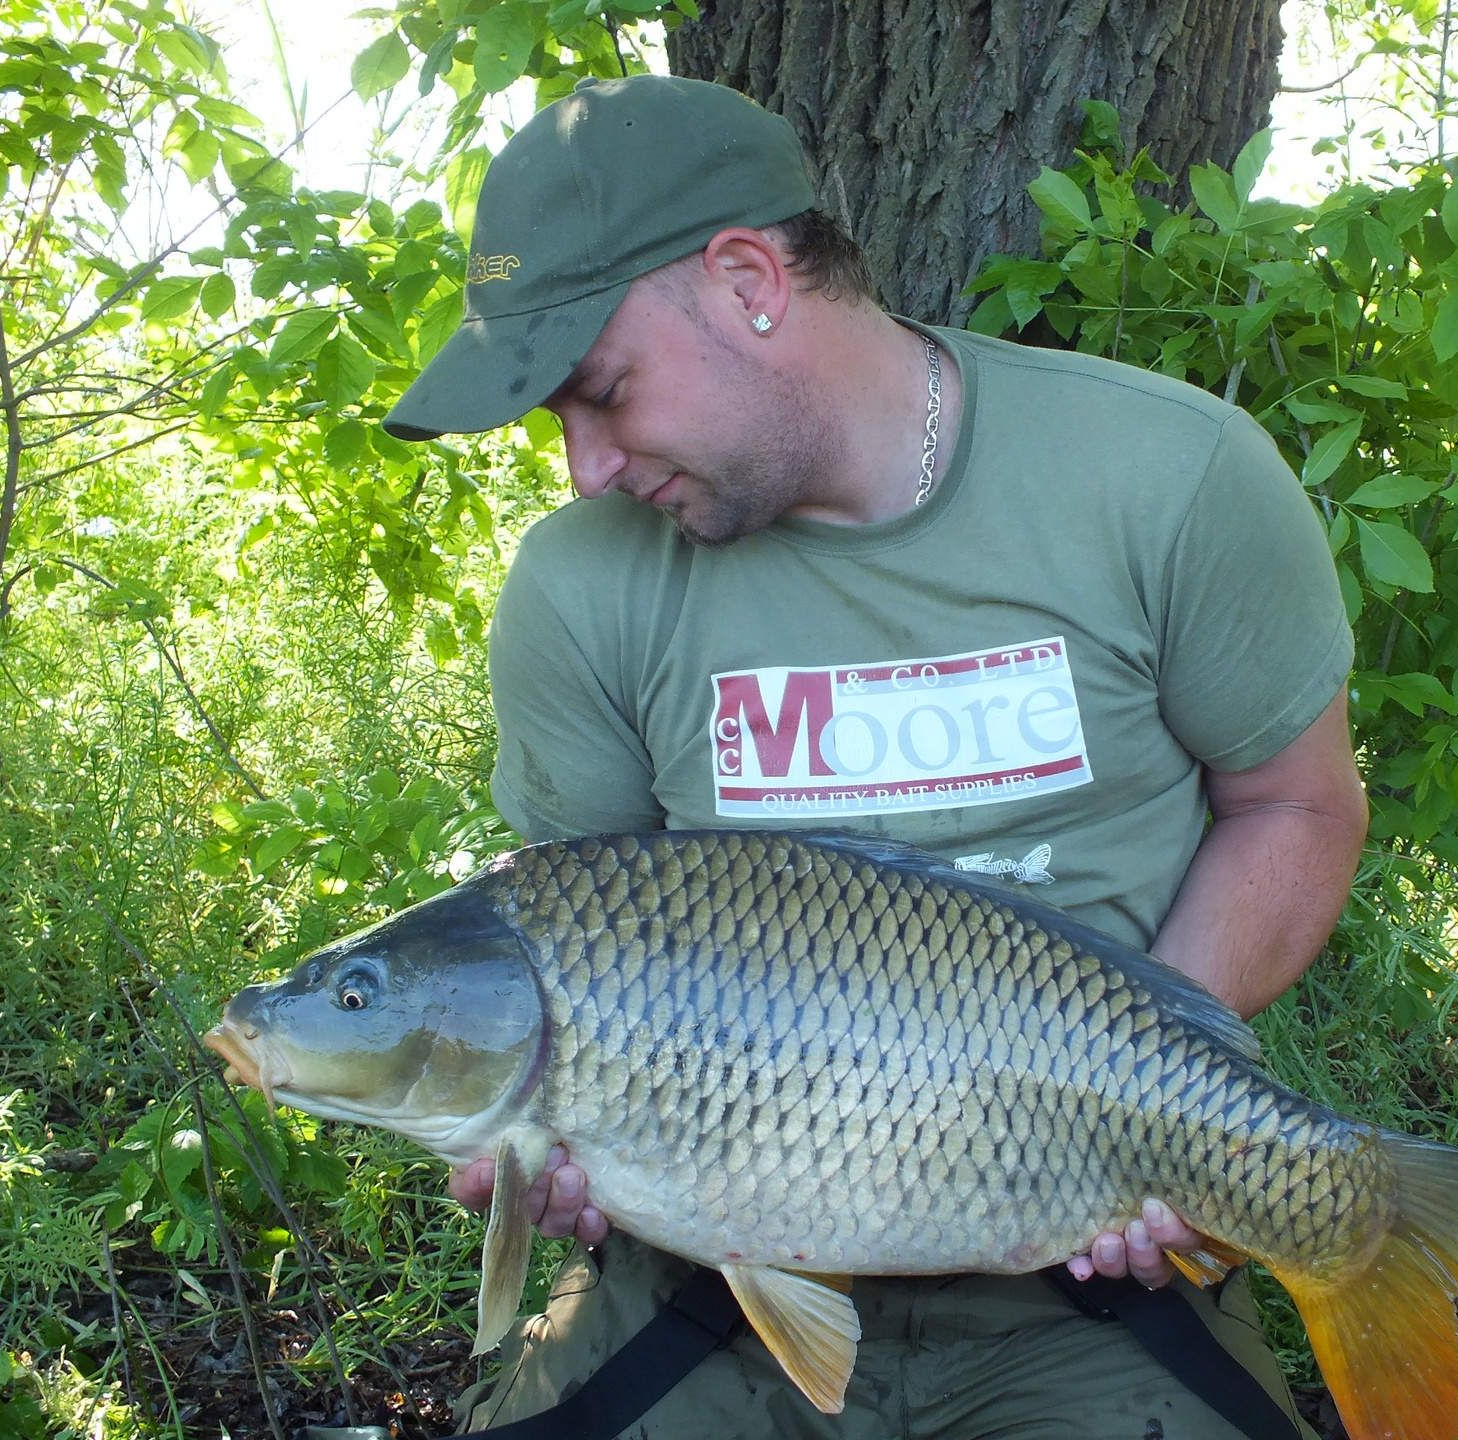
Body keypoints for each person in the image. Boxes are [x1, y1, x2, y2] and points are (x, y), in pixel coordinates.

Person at [381, 73, 1367, 1440]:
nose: (587, 468)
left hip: (1086, 1279)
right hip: (708, 1280)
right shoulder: (579, 585)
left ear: (748, 281)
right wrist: (540, 1152)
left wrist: (1143, 1102)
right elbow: (559, 960)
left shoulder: (1171, 476)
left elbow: (1298, 805)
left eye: (601, 393)